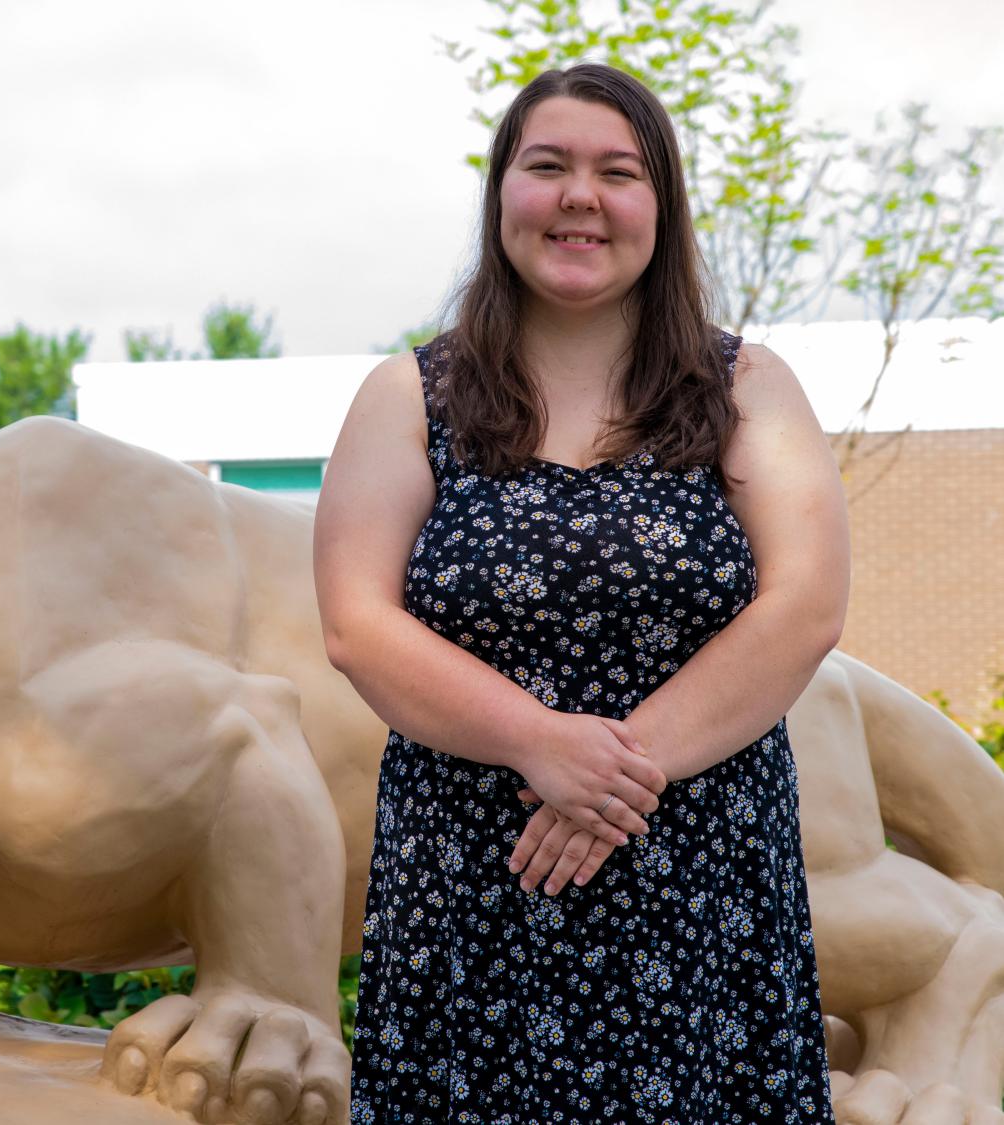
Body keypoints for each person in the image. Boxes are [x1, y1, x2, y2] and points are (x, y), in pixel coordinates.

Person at [313, 62, 849, 1122]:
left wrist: (609, 776)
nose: (579, 198)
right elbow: (355, 624)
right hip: (472, 888)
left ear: (662, 206)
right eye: (546, 165)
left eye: (619, 172)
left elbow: (805, 607)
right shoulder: (407, 395)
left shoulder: (749, 388)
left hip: (698, 892)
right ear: (501, 194)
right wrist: (535, 741)